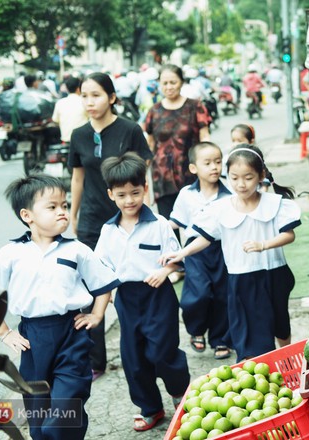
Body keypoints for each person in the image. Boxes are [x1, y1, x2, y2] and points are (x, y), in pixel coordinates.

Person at [0, 174, 120, 440]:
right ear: (27, 215)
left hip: (71, 334)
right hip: (32, 337)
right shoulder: (11, 253)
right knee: (36, 408)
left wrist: (97, 314)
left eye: (64, 206)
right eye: (52, 207)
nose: (62, 212)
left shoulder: (76, 250)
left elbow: (103, 283)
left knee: (67, 403)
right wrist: (5, 332)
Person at [159, 145, 301, 361]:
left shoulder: (275, 203)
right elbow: (206, 238)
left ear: (261, 176)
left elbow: (289, 235)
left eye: (248, 177)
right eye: (234, 178)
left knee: (280, 322)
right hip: (239, 277)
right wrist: (182, 253)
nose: (241, 184)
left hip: (274, 274)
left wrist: (263, 245)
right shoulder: (221, 207)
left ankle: (286, 356)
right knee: (249, 328)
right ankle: (259, 365)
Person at [96, 152, 189, 431]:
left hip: (158, 296)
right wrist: (108, 293)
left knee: (163, 351)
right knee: (133, 357)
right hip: (127, 298)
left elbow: (177, 261)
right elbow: (101, 267)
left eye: (135, 193)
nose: (129, 200)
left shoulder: (159, 224)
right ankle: (150, 407)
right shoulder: (108, 231)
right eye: (122, 195)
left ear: (145, 189)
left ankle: (179, 394)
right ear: (111, 194)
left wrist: (165, 271)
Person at [68, 72, 153, 381]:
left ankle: (143, 346)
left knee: (133, 285)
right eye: (85, 96)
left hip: (128, 217)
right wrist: (73, 214)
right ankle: (95, 360)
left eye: (96, 95)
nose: (90, 102)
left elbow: (143, 176)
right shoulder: (78, 135)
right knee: (94, 289)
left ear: (112, 97)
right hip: (92, 221)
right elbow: (77, 177)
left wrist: (148, 211)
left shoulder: (130, 130)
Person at [169, 142, 232, 360]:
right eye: (207, 163)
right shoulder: (187, 194)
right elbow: (175, 222)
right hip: (194, 251)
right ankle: (196, 329)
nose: (214, 167)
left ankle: (220, 339)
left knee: (222, 296)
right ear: (194, 168)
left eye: (218, 161)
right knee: (197, 296)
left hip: (223, 250)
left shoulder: (230, 193)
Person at [144, 64, 210, 242]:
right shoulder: (154, 111)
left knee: (197, 227)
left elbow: (205, 140)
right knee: (168, 227)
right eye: (164, 83)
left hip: (191, 175)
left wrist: (209, 167)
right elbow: (149, 146)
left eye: (173, 82)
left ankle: (197, 267)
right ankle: (175, 266)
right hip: (162, 177)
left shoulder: (195, 107)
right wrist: (143, 179)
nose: (169, 87)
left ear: (181, 82)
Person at [52, 76, 88, 143]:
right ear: (78, 89)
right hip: (83, 140)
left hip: (66, 140)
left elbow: (55, 120)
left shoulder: (60, 103)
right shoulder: (85, 102)